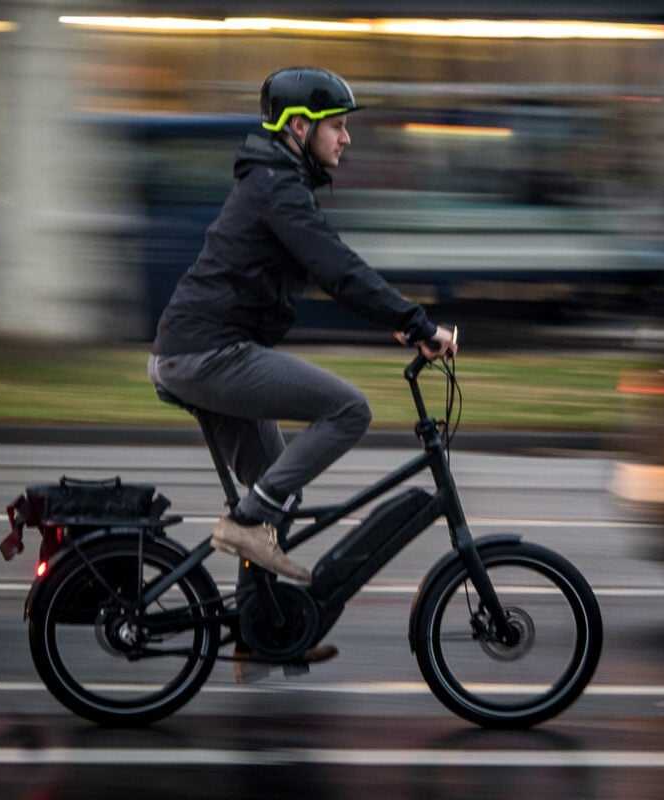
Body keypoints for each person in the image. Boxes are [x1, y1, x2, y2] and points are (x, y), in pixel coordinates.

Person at [147, 67, 456, 668]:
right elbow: (336, 267)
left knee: (276, 489)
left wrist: (392, 319)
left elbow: (327, 270)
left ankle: (257, 630)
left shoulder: (276, 183)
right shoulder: (276, 187)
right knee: (348, 409)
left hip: (198, 350)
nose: (346, 139)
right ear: (297, 128)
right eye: (337, 126)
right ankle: (246, 524)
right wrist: (418, 323)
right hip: (205, 353)